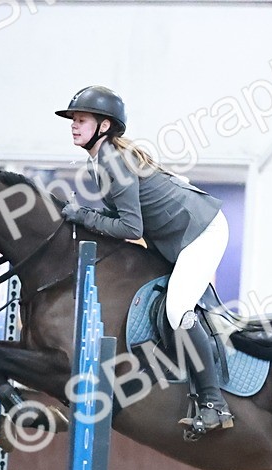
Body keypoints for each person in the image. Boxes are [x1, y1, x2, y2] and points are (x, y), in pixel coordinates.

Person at [55, 86, 234, 437]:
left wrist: (83, 215)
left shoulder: (113, 162)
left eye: (81, 120)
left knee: (178, 310)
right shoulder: (99, 161)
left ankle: (215, 404)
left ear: (104, 126)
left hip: (202, 230)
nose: (74, 125)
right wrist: (85, 216)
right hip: (179, 234)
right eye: (73, 120)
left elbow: (130, 228)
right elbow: (118, 216)